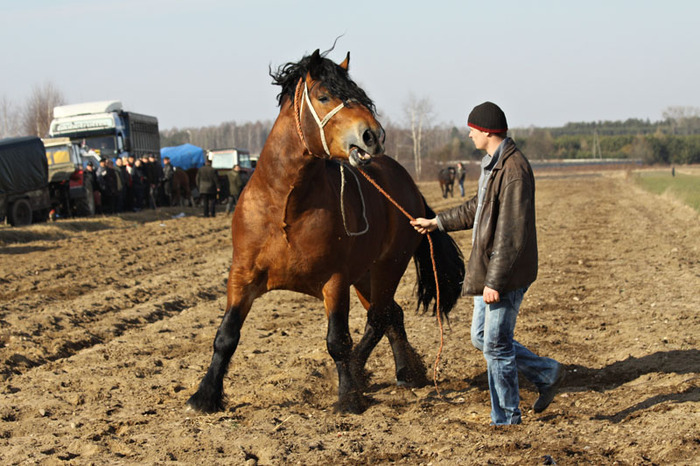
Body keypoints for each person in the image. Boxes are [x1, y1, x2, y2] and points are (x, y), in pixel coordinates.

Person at [410, 101, 565, 426]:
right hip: (491, 269)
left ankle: (506, 418)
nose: (468, 134)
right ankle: (546, 372)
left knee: (495, 344)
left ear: (487, 132)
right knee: (482, 336)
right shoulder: (492, 165)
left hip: (505, 274)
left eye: (472, 129)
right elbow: (475, 210)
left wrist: (495, 282)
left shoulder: (514, 170)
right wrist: (436, 222)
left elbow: (512, 234)